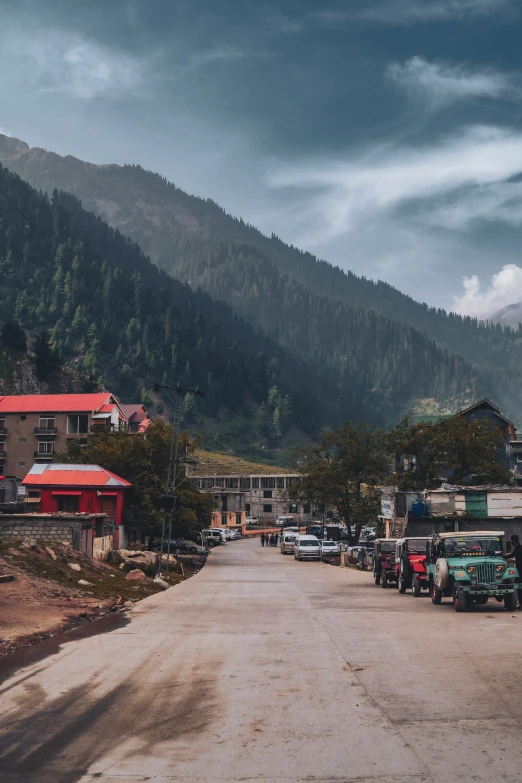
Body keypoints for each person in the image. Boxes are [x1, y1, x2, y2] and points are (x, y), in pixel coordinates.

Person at [509, 534, 522, 606]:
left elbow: (512, 555)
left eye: (512, 541)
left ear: (513, 541)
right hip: (519, 570)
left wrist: (503, 557)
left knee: (519, 587)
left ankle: (521, 603)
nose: (511, 542)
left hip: (520, 571)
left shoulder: (519, 548)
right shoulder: (518, 548)